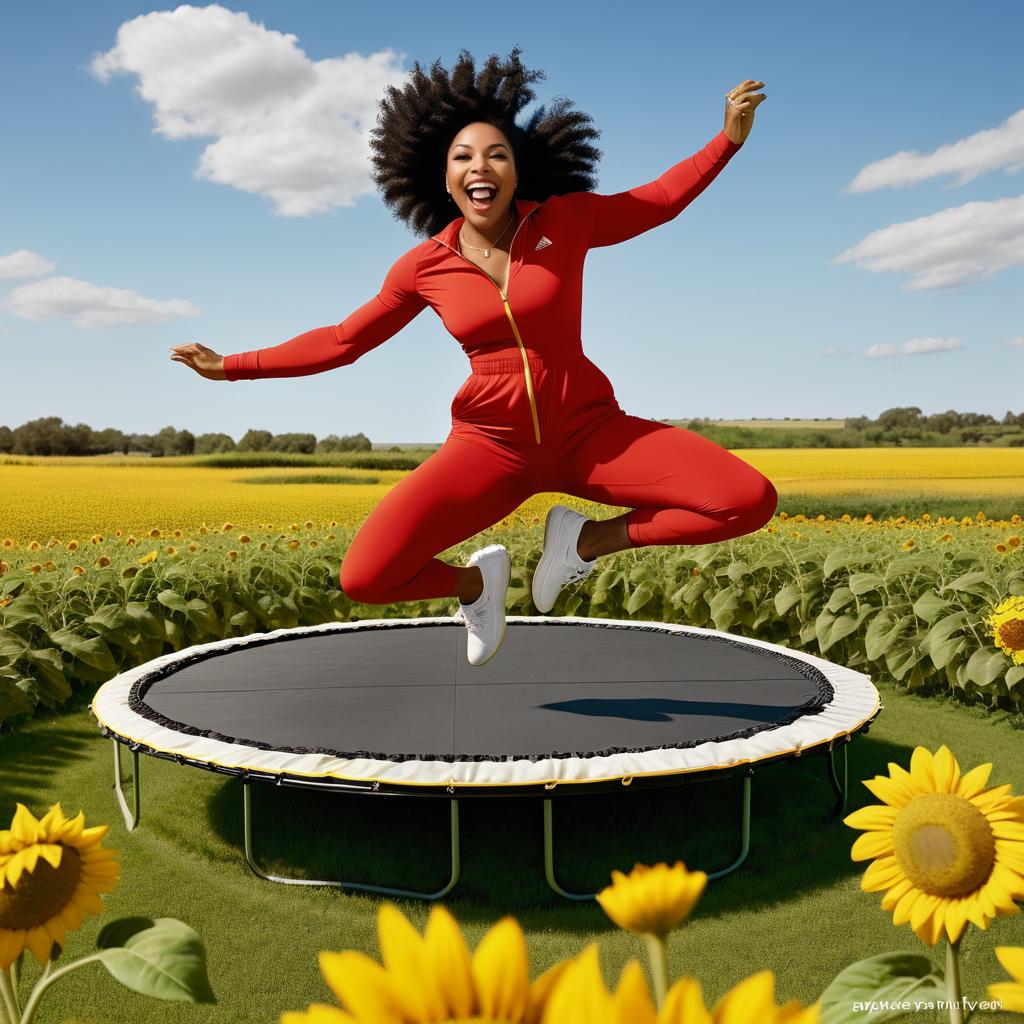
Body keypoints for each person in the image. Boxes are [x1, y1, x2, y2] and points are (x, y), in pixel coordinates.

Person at [171, 50, 774, 667]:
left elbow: (658, 200)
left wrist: (726, 141)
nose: (479, 166)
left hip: (590, 432)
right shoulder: (423, 267)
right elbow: (343, 340)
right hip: (491, 448)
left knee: (746, 500)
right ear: (443, 176)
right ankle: (473, 586)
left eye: (497, 154)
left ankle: (584, 542)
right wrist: (230, 366)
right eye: (463, 156)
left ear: (519, 170)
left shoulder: (567, 221)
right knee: (367, 577)